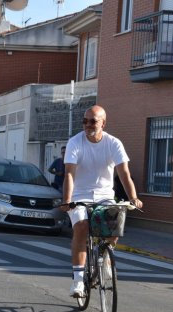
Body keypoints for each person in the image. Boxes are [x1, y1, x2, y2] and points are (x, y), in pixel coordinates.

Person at [61, 105, 143, 298]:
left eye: (93, 121)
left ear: (103, 123)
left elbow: (124, 174)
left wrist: (133, 198)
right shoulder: (75, 142)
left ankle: (105, 255)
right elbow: (69, 174)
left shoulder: (113, 143)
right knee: (81, 226)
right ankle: (78, 281)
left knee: (116, 223)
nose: (88, 125)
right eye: (85, 121)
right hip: (79, 195)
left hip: (105, 195)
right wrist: (67, 200)